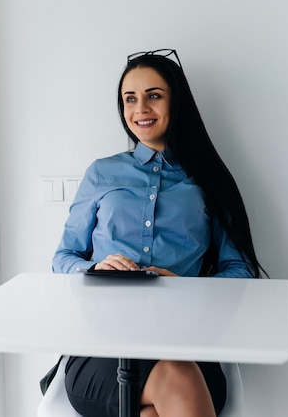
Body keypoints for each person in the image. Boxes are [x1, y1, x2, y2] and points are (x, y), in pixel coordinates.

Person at [51, 49, 265, 417]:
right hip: (103, 348)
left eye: (154, 95)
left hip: (187, 342)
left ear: (175, 101)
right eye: (129, 99)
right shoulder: (101, 173)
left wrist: (184, 284)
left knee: (160, 403)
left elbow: (240, 269)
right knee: (176, 384)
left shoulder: (209, 179)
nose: (140, 109)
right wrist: (95, 269)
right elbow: (62, 258)